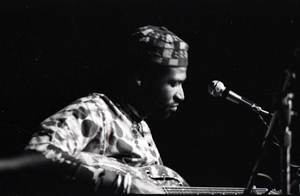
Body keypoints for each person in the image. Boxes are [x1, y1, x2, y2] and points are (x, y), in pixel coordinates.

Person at [2, 25, 189, 195]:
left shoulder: (142, 127)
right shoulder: (96, 111)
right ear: (141, 78)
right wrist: (123, 184)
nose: (181, 95)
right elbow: (38, 154)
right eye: (173, 83)